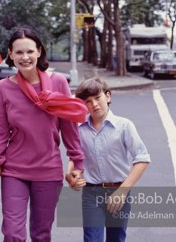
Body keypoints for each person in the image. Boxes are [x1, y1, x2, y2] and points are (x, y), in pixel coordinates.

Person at [0, 25, 88, 242]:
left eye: (30, 51)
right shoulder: (3, 88)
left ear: (39, 51)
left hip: (48, 170)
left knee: (41, 235)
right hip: (15, 171)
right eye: (19, 52)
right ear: (10, 55)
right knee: (12, 234)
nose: (25, 57)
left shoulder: (58, 82)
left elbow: (69, 128)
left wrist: (77, 162)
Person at [75, 77, 151, 242]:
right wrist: (73, 174)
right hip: (91, 193)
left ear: (108, 96)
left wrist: (123, 191)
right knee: (91, 239)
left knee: (116, 239)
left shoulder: (124, 126)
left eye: (97, 98)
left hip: (119, 192)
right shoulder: (80, 129)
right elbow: (76, 157)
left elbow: (142, 158)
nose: (94, 104)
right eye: (88, 101)